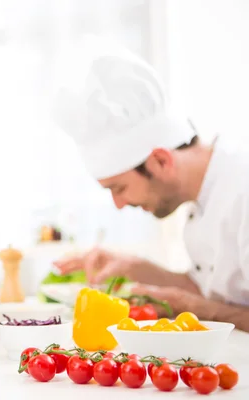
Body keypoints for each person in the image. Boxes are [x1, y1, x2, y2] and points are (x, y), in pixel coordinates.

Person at [52, 38, 249, 331]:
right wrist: (133, 267)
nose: (118, 205)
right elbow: (214, 294)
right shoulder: (204, 195)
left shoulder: (243, 187)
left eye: (118, 188)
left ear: (161, 161)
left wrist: (197, 310)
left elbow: (207, 305)